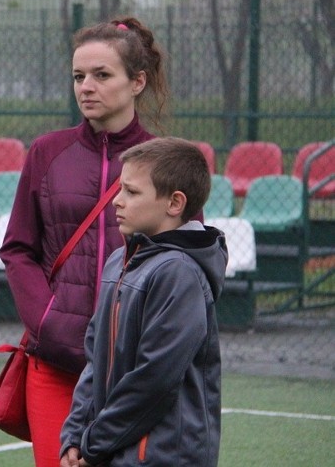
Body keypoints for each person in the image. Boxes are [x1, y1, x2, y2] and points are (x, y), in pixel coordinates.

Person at [0, 16, 170, 465]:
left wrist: (148, 340)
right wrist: (49, 321)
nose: (86, 87)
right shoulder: (47, 153)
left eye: (101, 75)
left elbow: (186, 260)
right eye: (79, 76)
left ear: (137, 82)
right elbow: (18, 249)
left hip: (134, 372)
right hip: (54, 364)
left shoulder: (165, 162)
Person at [60, 137, 226, 466]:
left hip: (161, 456)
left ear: (174, 203)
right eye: (119, 189)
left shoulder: (178, 273)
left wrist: (94, 442)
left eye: (132, 192)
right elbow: (94, 360)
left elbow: (155, 379)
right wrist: (75, 435)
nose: (116, 202)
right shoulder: (119, 262)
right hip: (113, 449)